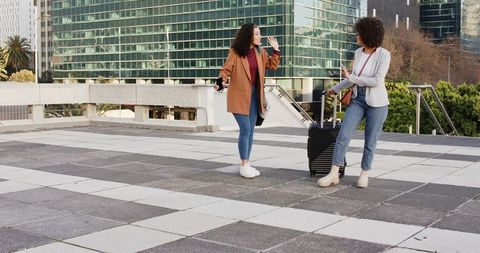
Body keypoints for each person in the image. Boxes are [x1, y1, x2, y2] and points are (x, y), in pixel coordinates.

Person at [317, 17, 391, 188]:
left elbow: (377, 81)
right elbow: (353, 80)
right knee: (343, 135)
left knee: (370, 140)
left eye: (359, 33)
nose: (356, 36)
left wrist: (351, 77)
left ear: (368, 34)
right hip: (358, 99)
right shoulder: (358, 53)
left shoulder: (384, 55)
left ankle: (365, 173)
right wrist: (334, 88)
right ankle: (334, 173)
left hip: (377, 102)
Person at [215, 23, 280, 178]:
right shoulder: (235, 52)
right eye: (257, 34)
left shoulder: (261, 52)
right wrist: (220, 81)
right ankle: (244, 164)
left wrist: (276, 49)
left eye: (260, 33)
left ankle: (247, 163)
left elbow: (272, 65)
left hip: (255, 96)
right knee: (245, 129)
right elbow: (226, 69)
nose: (260, 36)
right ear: (249, 36)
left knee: (250, 130)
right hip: (239, 96)